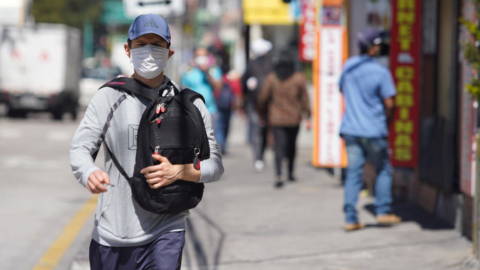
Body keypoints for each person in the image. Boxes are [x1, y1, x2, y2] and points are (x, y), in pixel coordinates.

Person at [69, 14, 224, 269]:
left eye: (156, 44)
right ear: (127, 49)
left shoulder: (190, 105)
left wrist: (180, 172)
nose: (149, 51)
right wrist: (88, 172)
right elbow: (80, 149)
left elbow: (215, 165)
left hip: (166, 231)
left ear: (169, 52)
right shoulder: (107, 97)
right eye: (141, 44)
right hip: (111, 235)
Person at [339, 28, 401, 231]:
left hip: (351, 129)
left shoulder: (348, 67)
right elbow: (390, 103)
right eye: (379, 45)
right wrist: (387, 123)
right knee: (382, 168)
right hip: (374, 130)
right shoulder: (380, 72)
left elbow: (342, 89)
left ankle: (350, 218)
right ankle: (383, 212)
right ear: (373, 48)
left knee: (353, 173)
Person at [257, 53, 311, 188]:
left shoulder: (272, 78)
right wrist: (308, 114)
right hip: (294, 118)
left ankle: (279, 174)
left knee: (278, 147)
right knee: (292, 146)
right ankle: (291, 172)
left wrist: (262, 114)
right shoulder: (298, 78)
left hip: (276, 119)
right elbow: (305, 98)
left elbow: (263, 98)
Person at [241, 38, 273, 172]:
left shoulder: (251, 65)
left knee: (256, 131)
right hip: (268, 103)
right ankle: (261, 156)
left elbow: (243, 83)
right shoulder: (271, 65)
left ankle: (258, 158)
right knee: (264, 130)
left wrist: (244, 99)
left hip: (253, 103)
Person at [181, 47, 222, 130]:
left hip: (210, 111)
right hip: (193, 111)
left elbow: (218, 87)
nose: (201, 58)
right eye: (199, 56)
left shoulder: (213, 70)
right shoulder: (189, 71)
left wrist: (207, 72)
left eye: (204, 56)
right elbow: (183, 89)